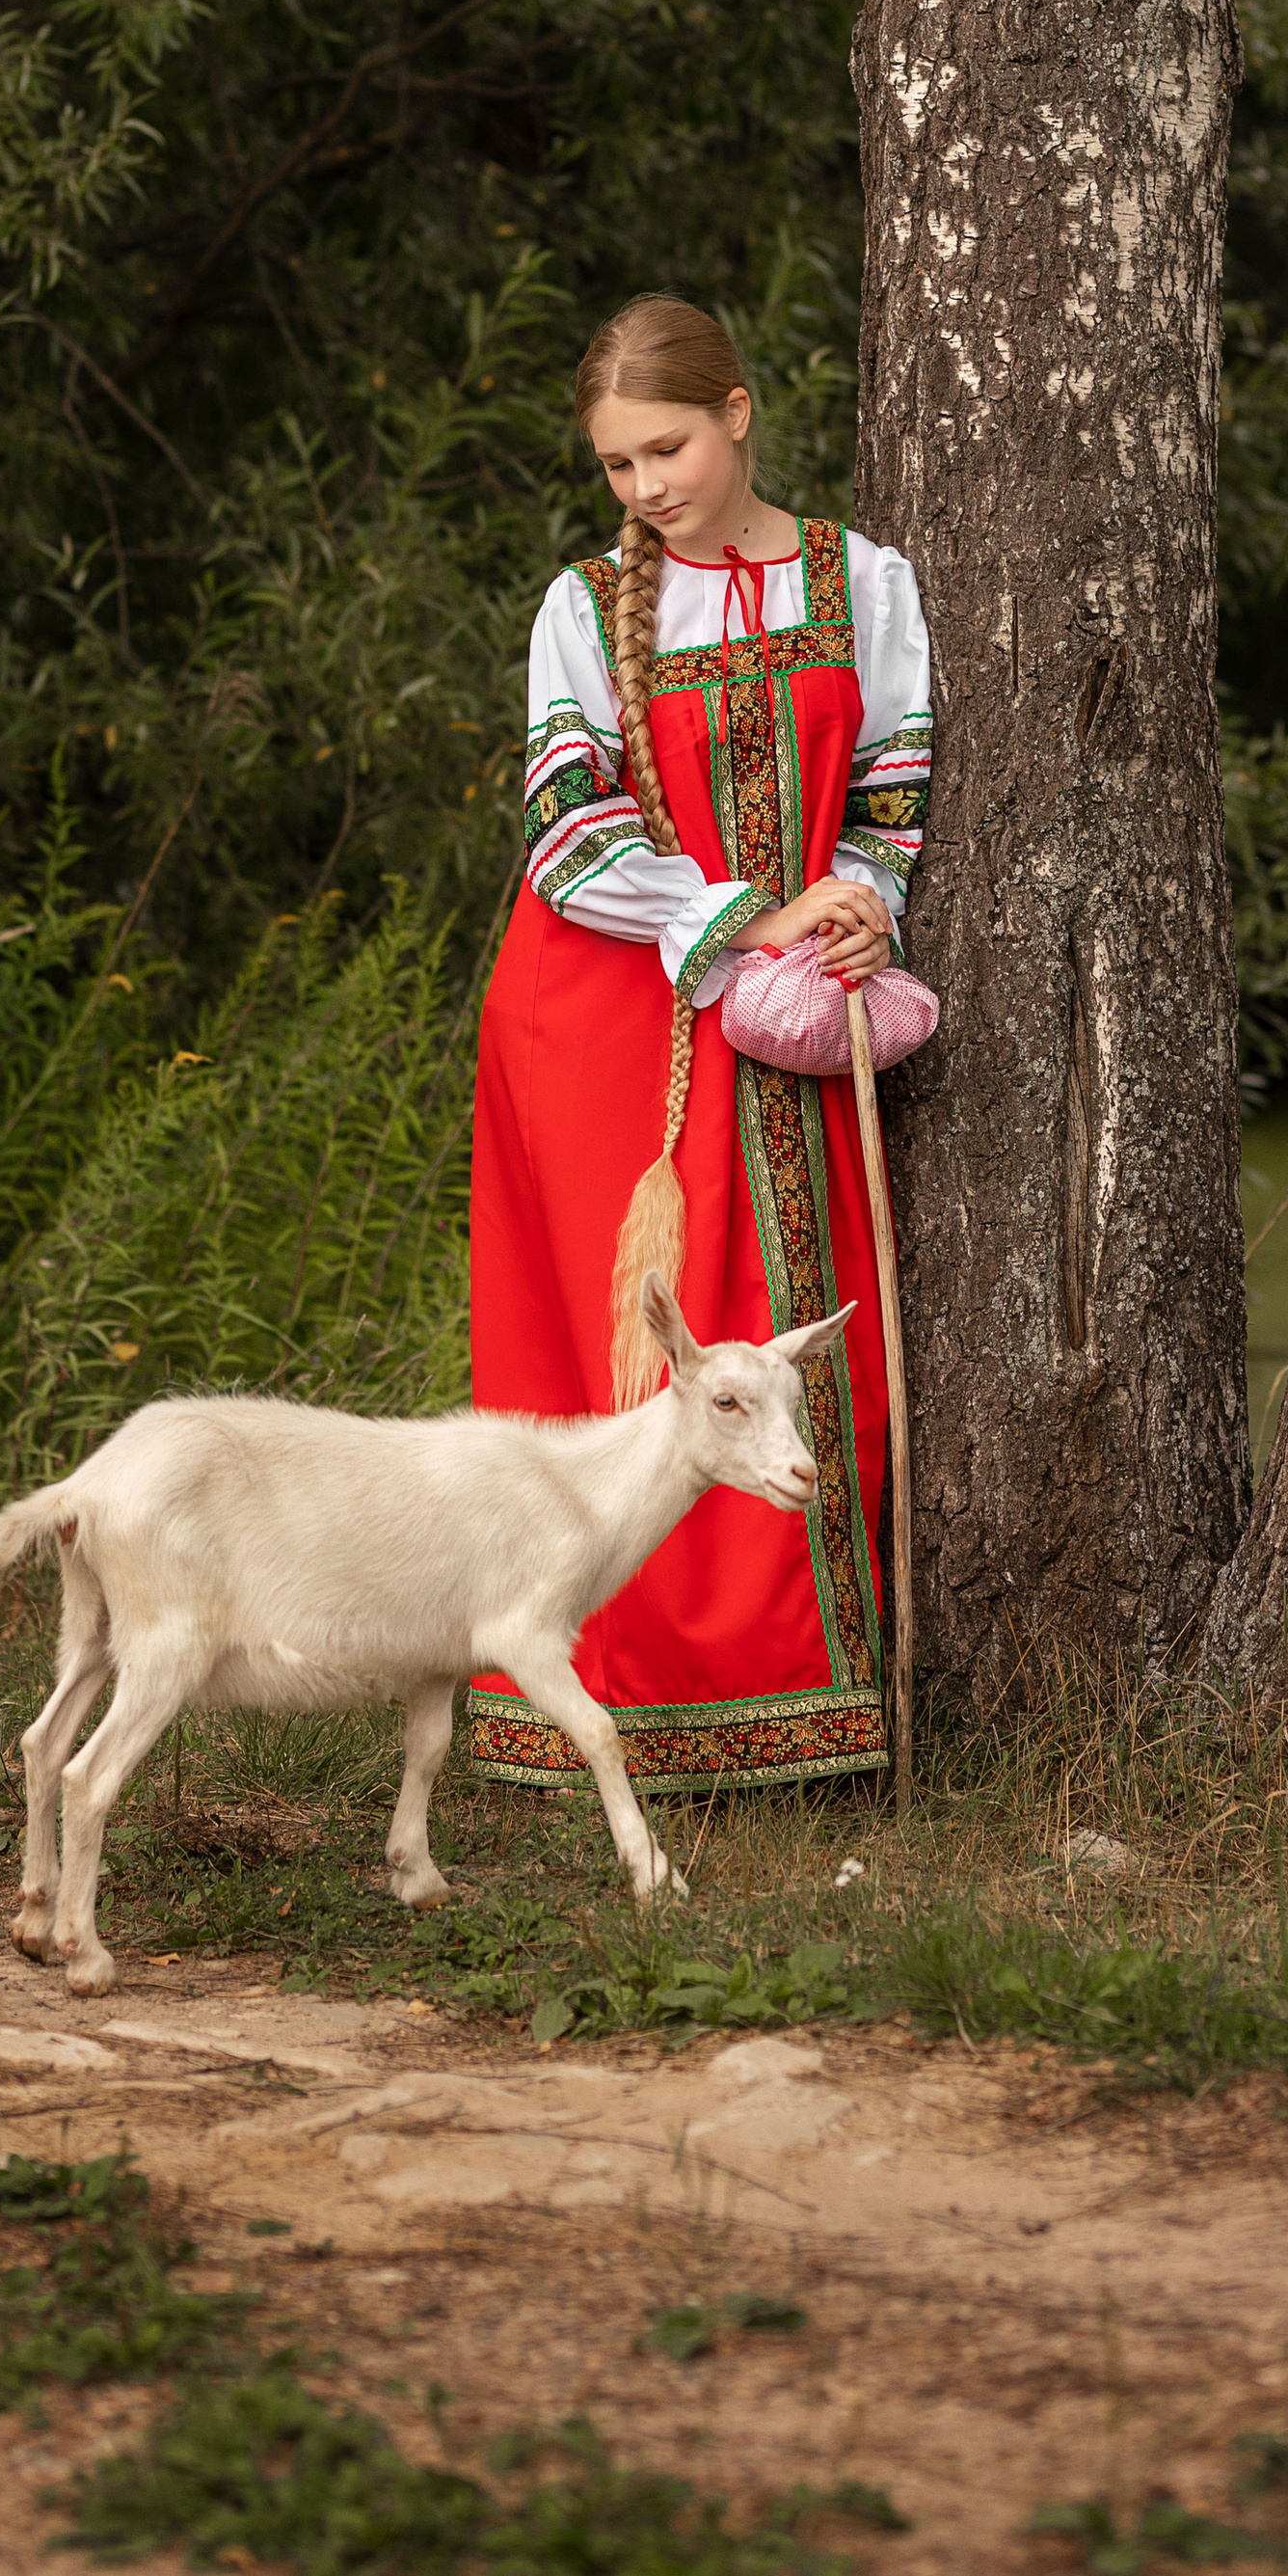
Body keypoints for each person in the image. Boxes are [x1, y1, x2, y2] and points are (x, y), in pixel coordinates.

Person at [466, 295, 930, 1794]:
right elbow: (567, 837)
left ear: (738, 410)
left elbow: (894, 792)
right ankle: (612, 1712)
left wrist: (865, 902)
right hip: (601, 1013)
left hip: (790, 1005)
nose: (644, 487)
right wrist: (751, 917)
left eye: (663, 447)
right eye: (614, 465)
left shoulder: (864, 584)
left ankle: (810, 1701)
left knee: (797, 1326)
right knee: (630, 1362)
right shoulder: (584, 610)